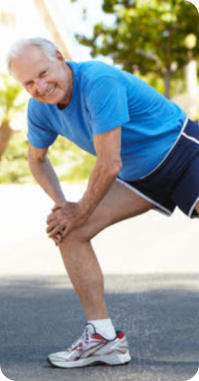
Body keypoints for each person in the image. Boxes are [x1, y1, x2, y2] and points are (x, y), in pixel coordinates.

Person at [7, 37, 199, 369]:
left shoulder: (98, 81)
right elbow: (36, 161)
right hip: (139, 178)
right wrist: (63, 206)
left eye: (43, 73)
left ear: (59, 57)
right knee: (69, 232)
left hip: (180, 152)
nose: (39, 86)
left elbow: (109, 164)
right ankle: (102, 339)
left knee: (75, 218)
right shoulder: (39, 109)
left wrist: (79, 209)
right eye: (29, 83)